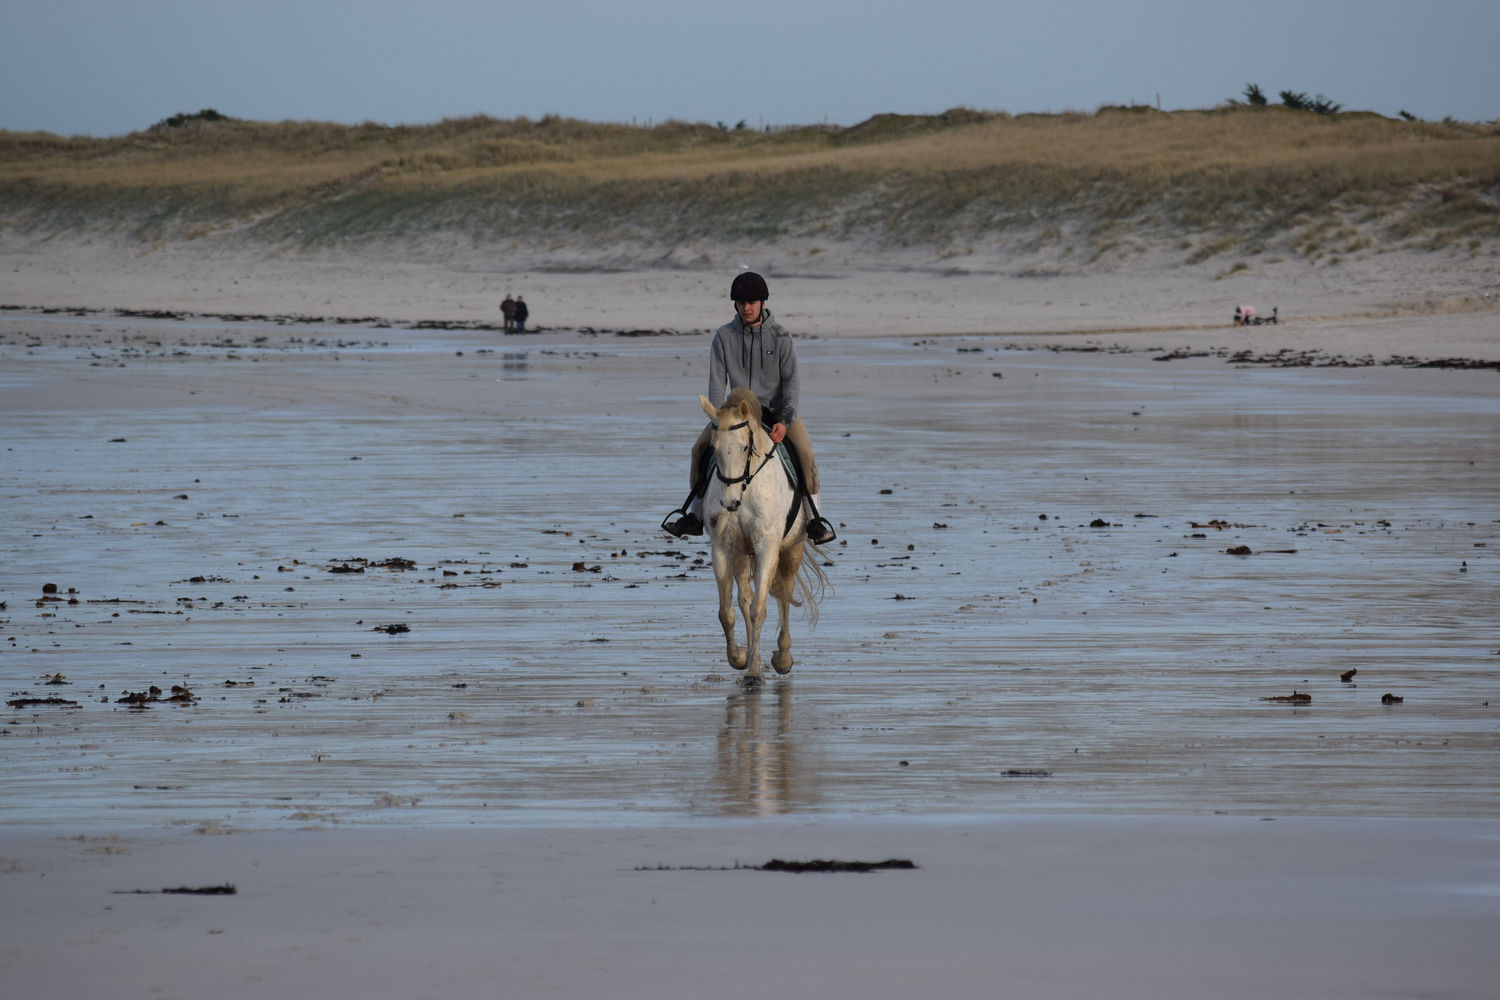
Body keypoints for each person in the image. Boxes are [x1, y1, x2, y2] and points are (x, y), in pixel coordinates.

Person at [663, 271, 835, 545]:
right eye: (741, 302)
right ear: (735, 305)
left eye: (752, 302)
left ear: (763, 303)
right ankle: (694, 515)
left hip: (777, 411)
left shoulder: (780, 337)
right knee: (698, 450)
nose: (747, 307)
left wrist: (785, 422)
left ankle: (814, 520)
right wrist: (719, 418)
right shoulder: (723, 337)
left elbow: (792, 385)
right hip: (736, 414)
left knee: (804, 453)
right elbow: (717, 384)